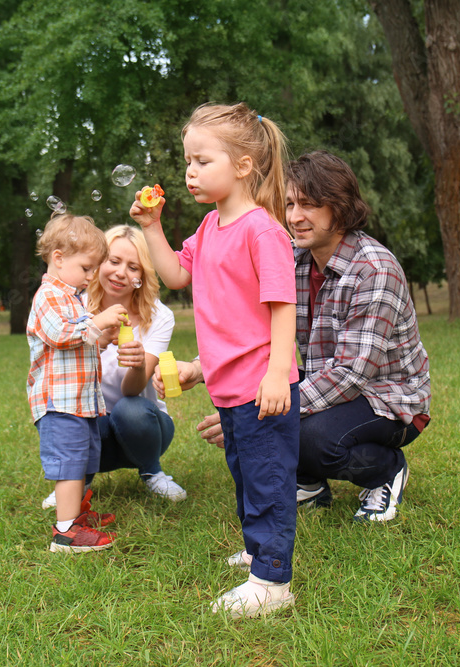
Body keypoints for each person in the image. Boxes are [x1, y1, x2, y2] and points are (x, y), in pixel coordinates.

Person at [175, 151, 431, 524]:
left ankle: (386, 470)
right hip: (328, 385)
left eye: (309, 205)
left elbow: (350, 374)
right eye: (291, 203)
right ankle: (309, 483)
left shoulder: (374, 270)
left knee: (308, 437)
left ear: (340, 208)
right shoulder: (294, 258)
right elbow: (252, 329)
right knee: (277, 422)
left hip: (388, 400)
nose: (294, 217)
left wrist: (259, 408)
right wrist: (200, 368)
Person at [130, 102, 300, 619]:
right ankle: (257, 548)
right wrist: (152, 227)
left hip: (261, 385)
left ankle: (272, 583)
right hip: (229, 388)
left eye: (203, 160)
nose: (190, 171)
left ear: (244, 166)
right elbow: (178, 276)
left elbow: (283, 305)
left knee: (268, 480)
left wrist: (277, 373)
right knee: (247, 473)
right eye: (187, 161)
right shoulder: (209, 227)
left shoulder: (261, 230)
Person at [40, 224, 186, 508]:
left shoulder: (159, 317)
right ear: (97, 263)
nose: (121, 273)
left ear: (142, 276)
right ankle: (78, 480)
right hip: (92, 427)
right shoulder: (74, 308)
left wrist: (137, 363)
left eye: (133, 267)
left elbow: (132, 389)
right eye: (114, 261)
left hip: (145, 428)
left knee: (129, 407)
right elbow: (61, 374)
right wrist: (99, 342)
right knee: (71, 415)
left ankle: (152, 470)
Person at [26, 213, 127, 554]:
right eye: (86, 268)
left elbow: (79, 342)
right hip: (60, 402)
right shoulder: (48, 295)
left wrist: (101, 337)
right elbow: (60, 334)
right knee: (69, 465)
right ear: (58, 258)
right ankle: (66, 533)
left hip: (80, 402)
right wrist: (97, 321)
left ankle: (78, 517)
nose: (90, 277)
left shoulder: (72, 298)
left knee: (84, 460)